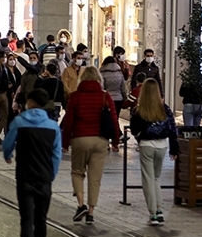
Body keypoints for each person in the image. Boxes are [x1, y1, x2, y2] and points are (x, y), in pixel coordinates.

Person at [2, 89, 62, 237]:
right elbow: (56, 154)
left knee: (26, 219)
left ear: (30, 102)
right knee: (41, 218)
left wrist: (8, 154)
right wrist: (51, 174)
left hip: (25, 177)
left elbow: (7, 143)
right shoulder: (53, 127)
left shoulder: (19, 122)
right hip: (44, 178)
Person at [61, 66, 120, 224]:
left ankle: (81, 205)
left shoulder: (75, 96)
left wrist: (65, 142)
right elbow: (114, 120)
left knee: (77, 172)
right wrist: (115, 141)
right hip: (100, 141)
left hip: (80, 139)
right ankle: (91, 212)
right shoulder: (105, 96)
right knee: (95, 179)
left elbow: (68, 122)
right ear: (98, 79)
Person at [130, 79, 179, 226]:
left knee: (148, 179)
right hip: (162, 145)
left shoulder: (139, 110)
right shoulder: (165, 108)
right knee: (157, 178)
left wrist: (139, 137)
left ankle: (153, 213)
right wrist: (174, 148)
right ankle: (160, 210)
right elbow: (172, 128)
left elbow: (134, 129)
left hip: (146, 145)